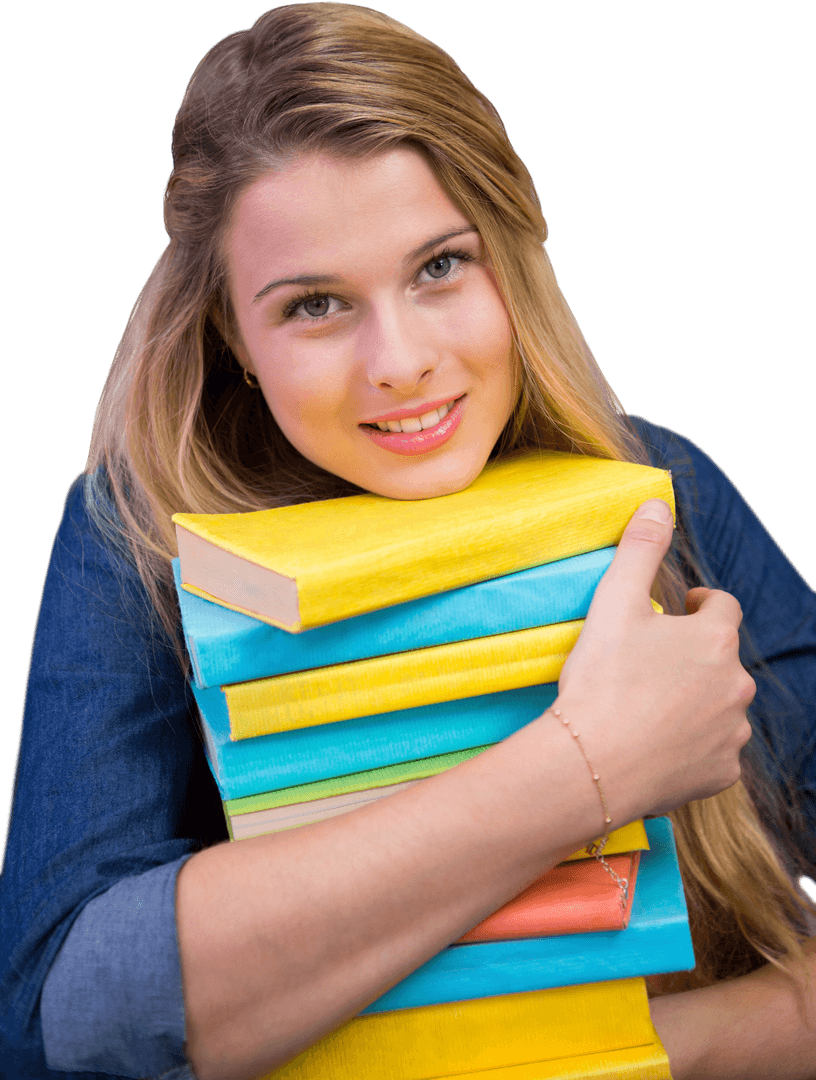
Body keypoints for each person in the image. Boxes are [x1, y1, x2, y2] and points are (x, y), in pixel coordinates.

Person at [2, 4, 814, 1079]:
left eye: (439, 267)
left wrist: (659, 1052)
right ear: (231, 339)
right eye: (315, 305)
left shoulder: (667, 488)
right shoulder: (140, 534)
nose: (400, 362)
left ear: (512, 256)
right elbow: (66, 1016)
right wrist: (588, 768)